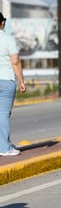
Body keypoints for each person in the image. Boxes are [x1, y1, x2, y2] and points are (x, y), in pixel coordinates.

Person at [0, 12, 26, 156]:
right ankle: (4, 148)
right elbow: (15, 62)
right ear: (2, 22)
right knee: (3, 114)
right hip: (6, 80)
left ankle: (4, 143)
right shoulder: (9, 39)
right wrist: (21, 81)